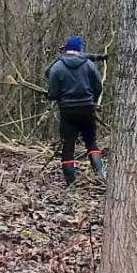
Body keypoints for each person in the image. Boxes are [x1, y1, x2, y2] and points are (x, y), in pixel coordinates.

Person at [45, 35, 106, 188]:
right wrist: (92, 100)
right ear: (80, 49)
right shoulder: (89, 65)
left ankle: (71, 185)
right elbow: (98, 86)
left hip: (67, 111)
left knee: (68, 146)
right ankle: (99, 174)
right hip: (87, 108)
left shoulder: (57, 67)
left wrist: (54, 96)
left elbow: (53, 93)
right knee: (91, 142)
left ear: (66, 48)